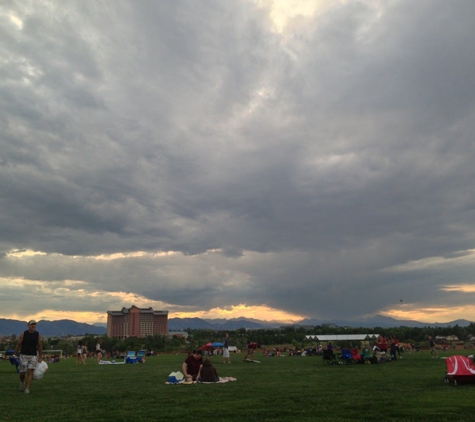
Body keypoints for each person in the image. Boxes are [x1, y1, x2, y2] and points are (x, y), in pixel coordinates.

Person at [13, 320, 43, 394]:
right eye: (31, 324)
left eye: (34, 324)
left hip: (33, 355)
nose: (33, 326)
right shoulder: (24, 334)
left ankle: (27, 389)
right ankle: (22, 382)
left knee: (30, 372)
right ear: (28, 325)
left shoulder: (37, 334)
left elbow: (39, 345)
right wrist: (15, 354)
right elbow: (18, 344)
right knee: (22, 373)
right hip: (24, 355)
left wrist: (40, 356)